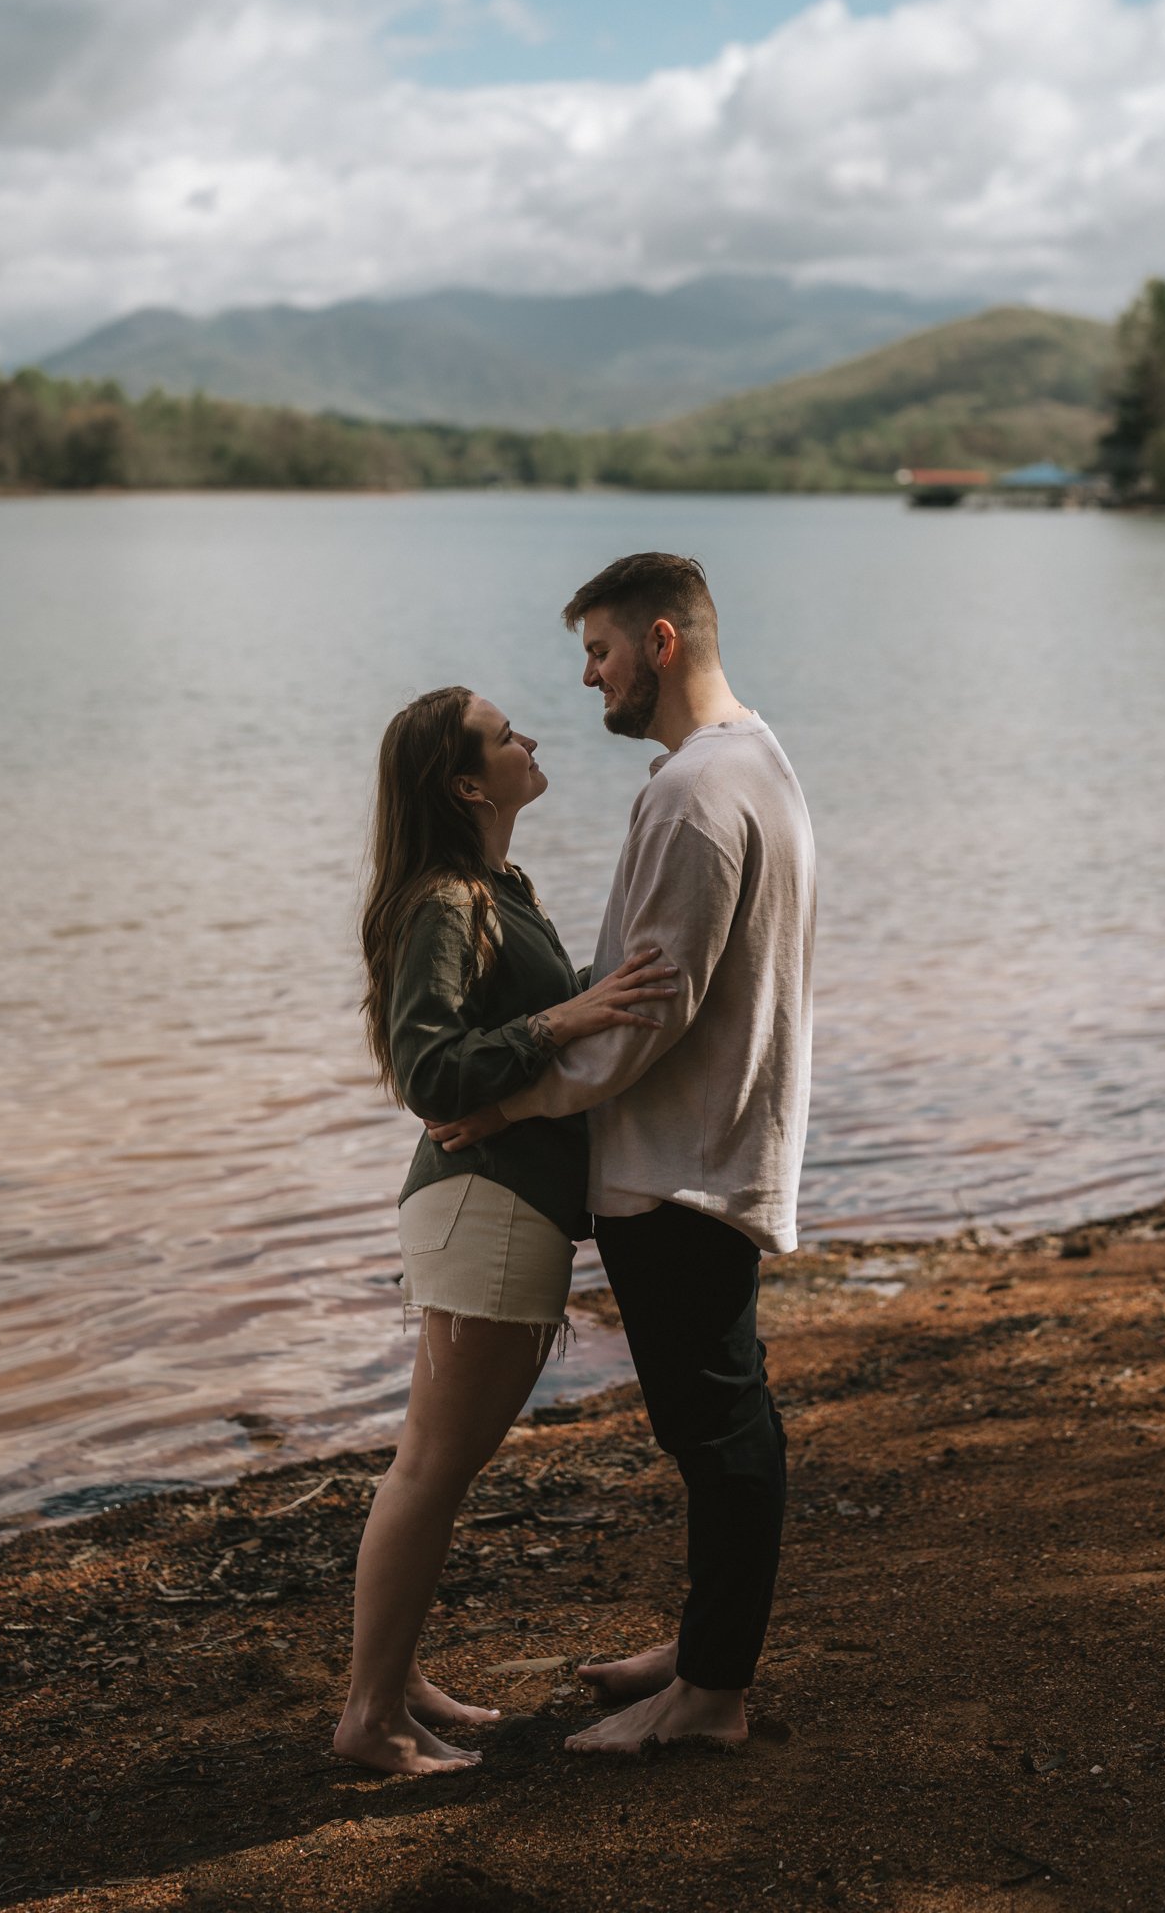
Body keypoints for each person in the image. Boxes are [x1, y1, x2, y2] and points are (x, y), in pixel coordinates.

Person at [429, 553, 816, 1756]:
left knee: (718, 1430)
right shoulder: (752, 759)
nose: (585, 678)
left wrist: (509, 1104)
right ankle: (706, 1646)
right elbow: (655, 990)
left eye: (596, 652)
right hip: (716, 1145)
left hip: (676, 1166)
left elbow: (648, 1014)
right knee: (720, 1419)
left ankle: (709, 1694)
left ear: (657, 643)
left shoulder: (693, 794)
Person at [332, 683, 677, 1777]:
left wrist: (584, 996)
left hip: (499, 1205)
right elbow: (432, 1068)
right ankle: (371, 1720)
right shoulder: (447, 898)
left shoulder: (494, 887)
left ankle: (397, 1679)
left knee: (441, 1461)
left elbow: (509, 1032)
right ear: (467, 782)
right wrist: (564, 1014)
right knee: (432, 1464)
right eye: (504, 733)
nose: (529, 737)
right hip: (476, 1200)